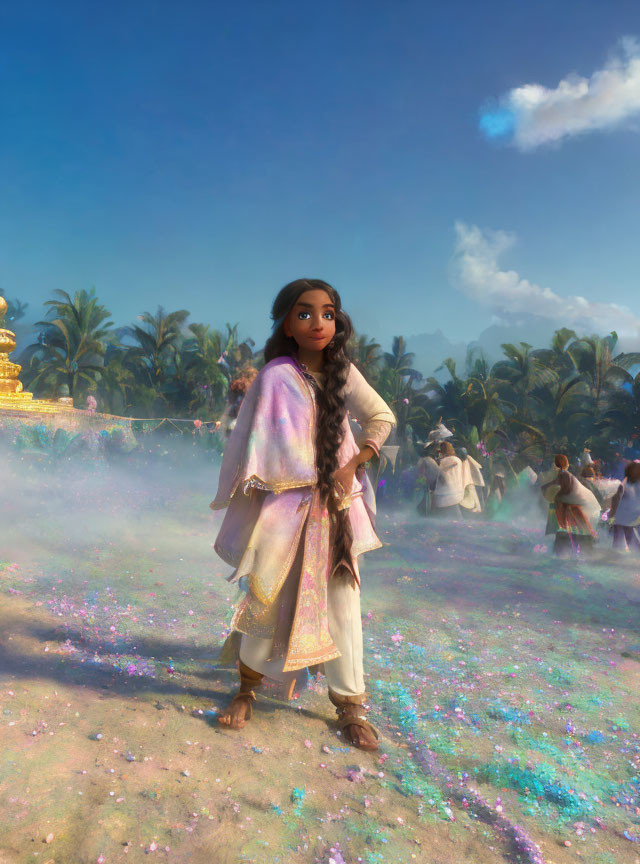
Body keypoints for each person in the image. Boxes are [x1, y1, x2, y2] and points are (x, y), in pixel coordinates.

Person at [210, 279, 396, 751]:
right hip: (286, 506)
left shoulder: (344, 373)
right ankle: (247, 690)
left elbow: (382, 418)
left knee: (342, 601)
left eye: (328, 313)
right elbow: (253, 445)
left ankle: (350, 706)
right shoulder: (275, 377)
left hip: (337, 508)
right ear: (287, 324)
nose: (319, 323)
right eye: (306, 313)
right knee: (268, 593)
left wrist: (352, 465)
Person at [540, 454, 600, 557]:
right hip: (583, 505)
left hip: (583, 506)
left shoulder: (565, 476)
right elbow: (555, 484)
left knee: (572, 524)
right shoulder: (563, 475)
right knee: (566, 524)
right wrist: (545, 488)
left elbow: (565, 492)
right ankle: (571, 542)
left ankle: (585, 541)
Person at [420, 441, 481, 516]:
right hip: (456, 495)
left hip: (443, 497)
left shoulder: (441, 461)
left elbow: (441, 478)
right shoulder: (457, 460)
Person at [608, 461, 640, 553]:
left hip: (630, 515)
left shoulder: (630, 482)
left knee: (626, 537)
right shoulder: (625, 483)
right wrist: (612, 514)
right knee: (622, 538)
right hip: (625, 515)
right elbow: (616, 498)